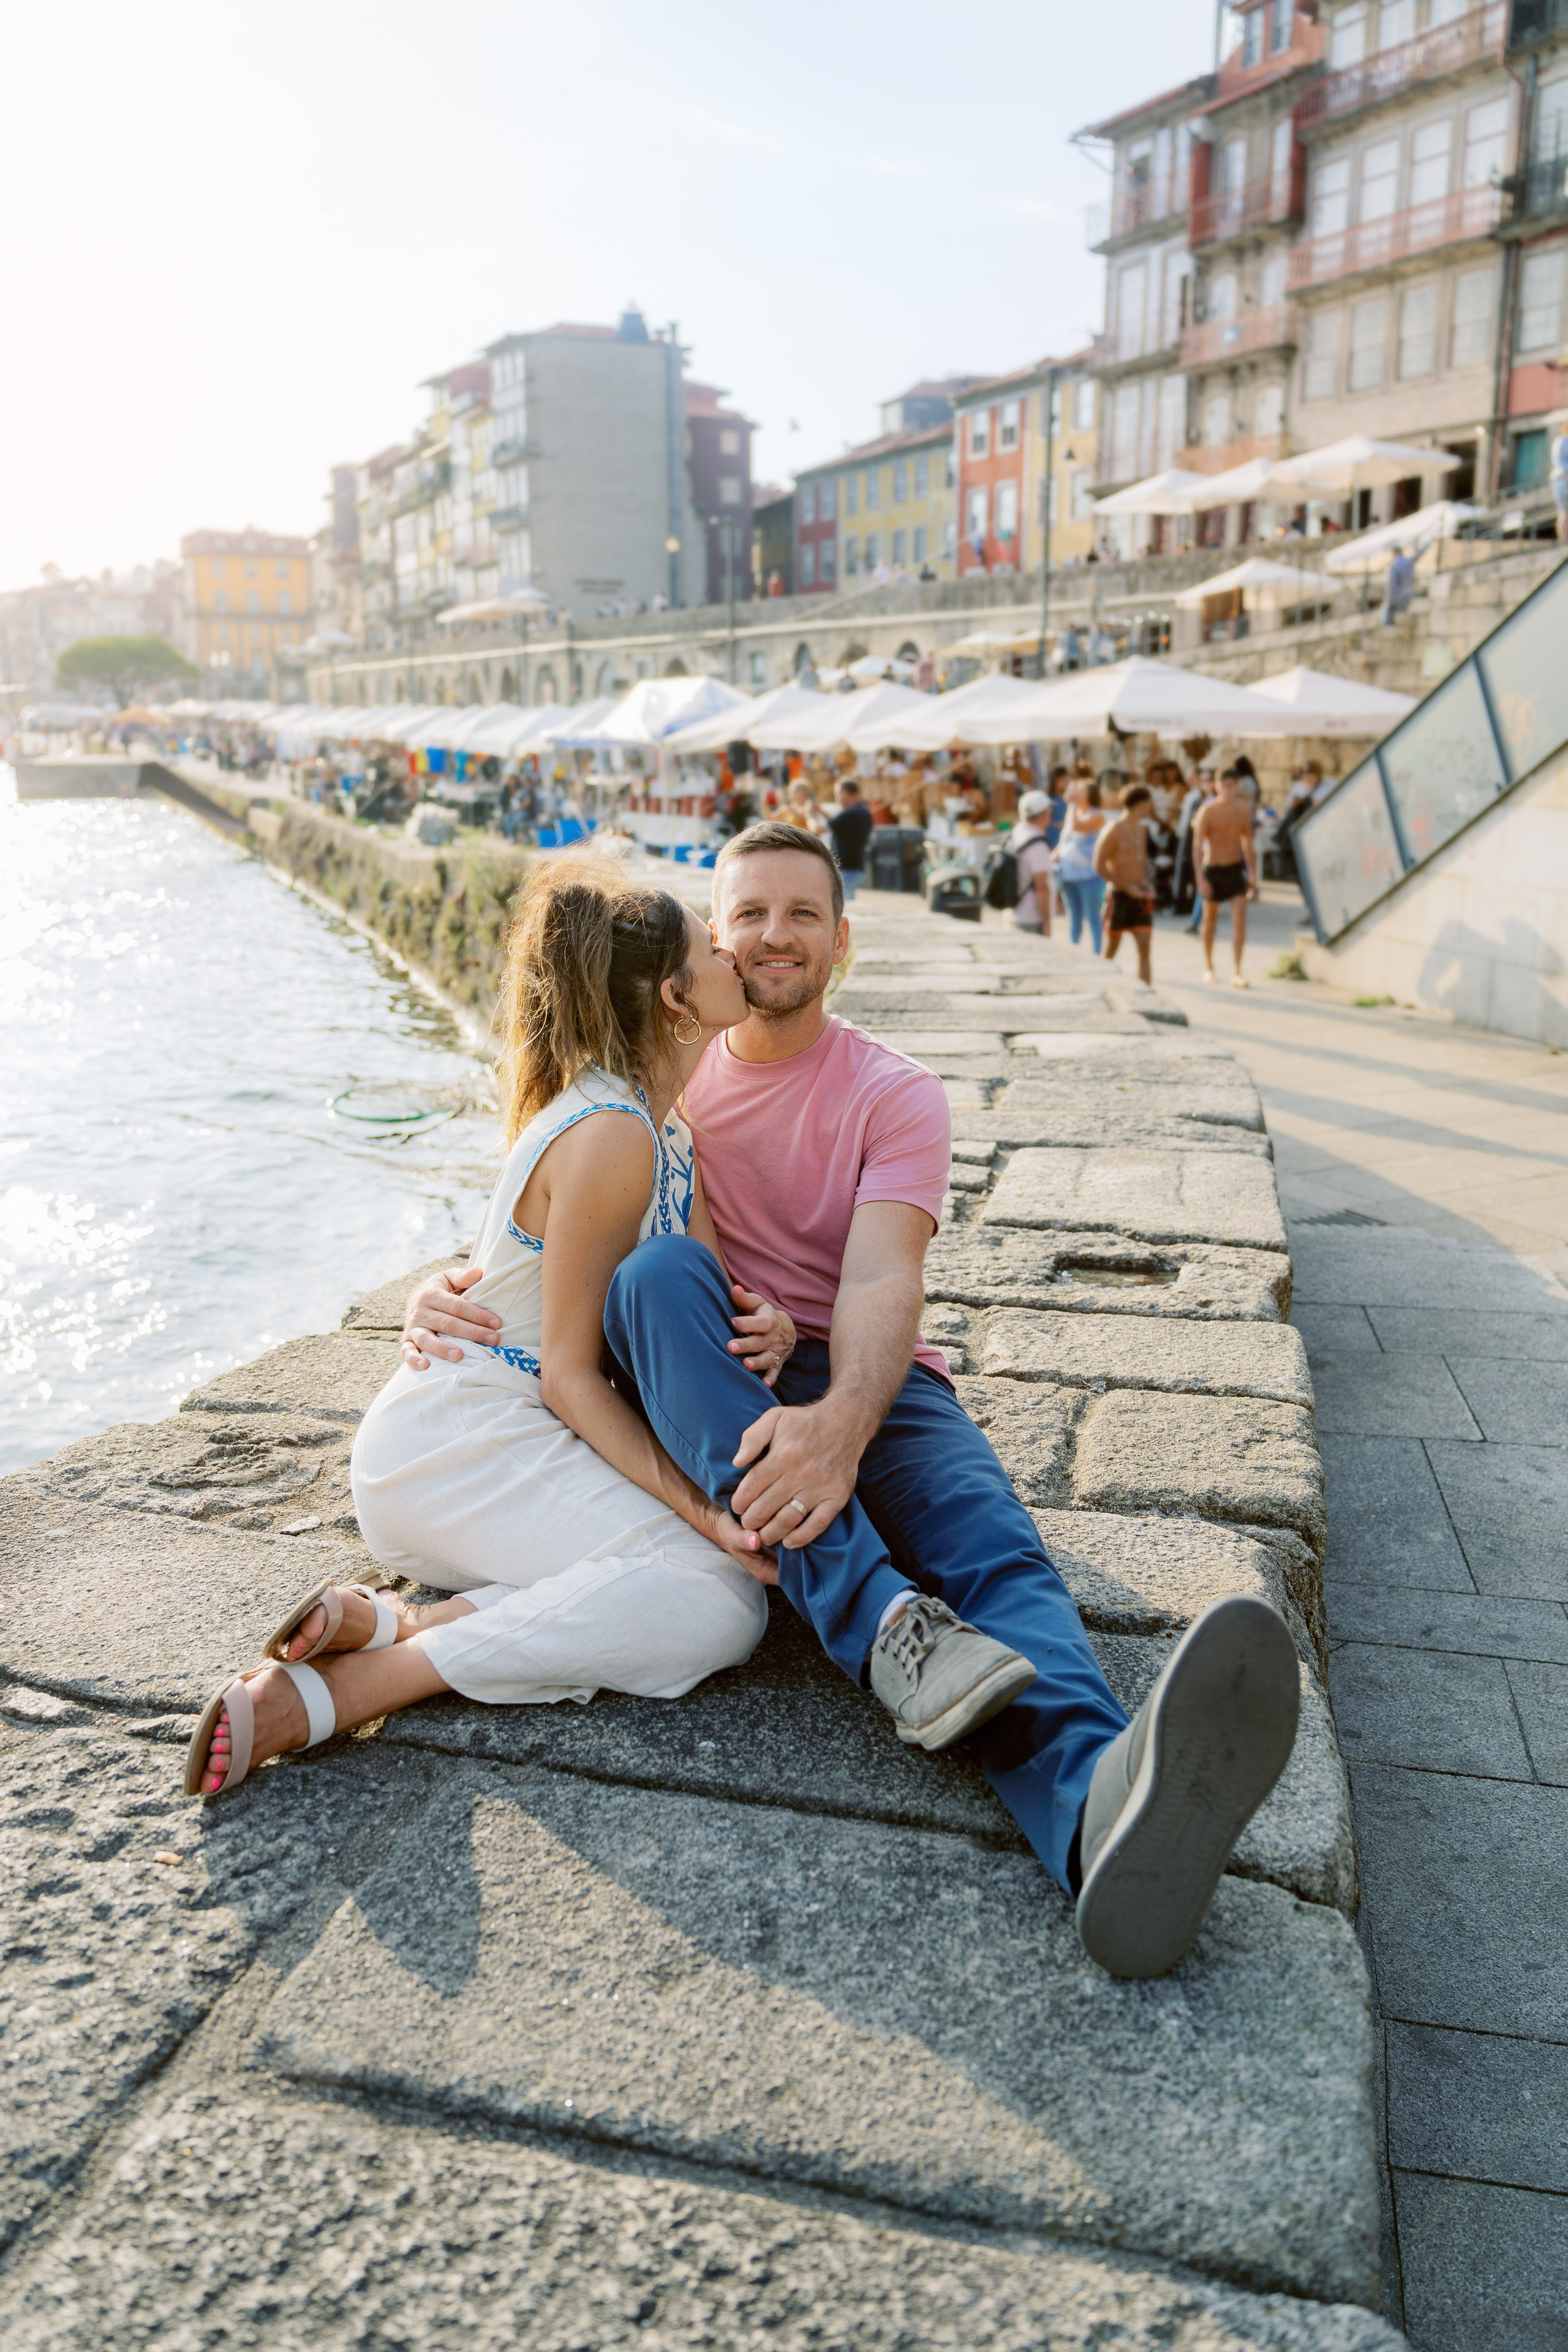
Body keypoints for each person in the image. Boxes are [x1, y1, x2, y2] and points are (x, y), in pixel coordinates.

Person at [402, 825, 1300, 1978]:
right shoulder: (657, 1088)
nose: (775, 935)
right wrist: (439, 1295)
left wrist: (839, 1422)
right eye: (751, 915)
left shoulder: (894, 1092)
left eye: (803, 914)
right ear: (705, 951)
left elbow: (884, 1278)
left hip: (872, 1380)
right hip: (699, 1377)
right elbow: (545, 1223)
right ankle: (883, 1621)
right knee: (657, 1276)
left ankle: (1096, 1817)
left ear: (841, 940)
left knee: (997, 1556)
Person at [183, 865, 798, 1806]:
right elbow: (566, 1374)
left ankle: (391, 1627)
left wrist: (776, 1328)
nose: (730, 948)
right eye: (710, 946)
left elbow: (706, 1311)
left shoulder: (668, 1136)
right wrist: (703, 1511)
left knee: (706, 1582)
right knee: (717, 1602)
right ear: (676, 997)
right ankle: (362, 1688)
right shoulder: (614, 1133)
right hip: (463, 1443)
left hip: (511, 1435)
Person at [1193, 765, 1258, 988]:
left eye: (1231, 786)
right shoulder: (1208, 811)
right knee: (1209, 921)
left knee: (1240, 920)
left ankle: (1237, 971)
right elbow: (1197, 847)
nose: (1227, 790)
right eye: (1223, 786)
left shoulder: (1243, 809)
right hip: (1213, 869)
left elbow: (1248, 843)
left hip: (1234, 869)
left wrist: (1253, 874)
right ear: (1216, 786)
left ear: (1237, 786)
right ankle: (1209, 968)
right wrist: (1200, 879)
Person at [1093, 782, 1156, 984]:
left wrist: (1147, 884)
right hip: (1119, 896)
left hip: (1141, 896)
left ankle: (1147, 995)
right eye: (1148, 803)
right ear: (1140, 804)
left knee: (1145, 947)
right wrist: (1126, 886)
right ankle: (1100, 985)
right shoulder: (1114, 829)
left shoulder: (1142, 829)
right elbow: (1098, 865)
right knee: (1112, 949)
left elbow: (1143, 860)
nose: (1150, 807)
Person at [1055, 774, 1108, 952]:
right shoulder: (1074, 813)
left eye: (1081, 790)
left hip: (1089, 876)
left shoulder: (1097, 815)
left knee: (1093, 917)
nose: (1076, 793)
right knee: (1074, 917)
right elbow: (1065, 842)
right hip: (1069, 875)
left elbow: (1079, 827)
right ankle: (1074, 952)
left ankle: (1097, 954)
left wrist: (1071, 803)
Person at [1009, 788, 1056, 937]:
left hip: (1015, 912)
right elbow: (1041, 887)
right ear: (1044, 814)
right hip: (1031, 918)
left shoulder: (1017, 833)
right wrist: (1047, 922)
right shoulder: (1037, 845)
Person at [827, 778, 873, 900]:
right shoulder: (863, 812)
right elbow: (836, 823)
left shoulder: (851, 814)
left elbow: (822, 827)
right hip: (855, 867)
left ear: (845, 793)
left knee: (843, 908)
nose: (837, 798)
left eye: (838, 794)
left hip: (847, 869)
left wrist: (811, 816)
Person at [1552, 415, 1568, 546]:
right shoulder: (1561, 442)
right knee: (1564, 511)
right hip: (1562, 480)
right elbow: (1559, 463)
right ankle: (1564, 541)